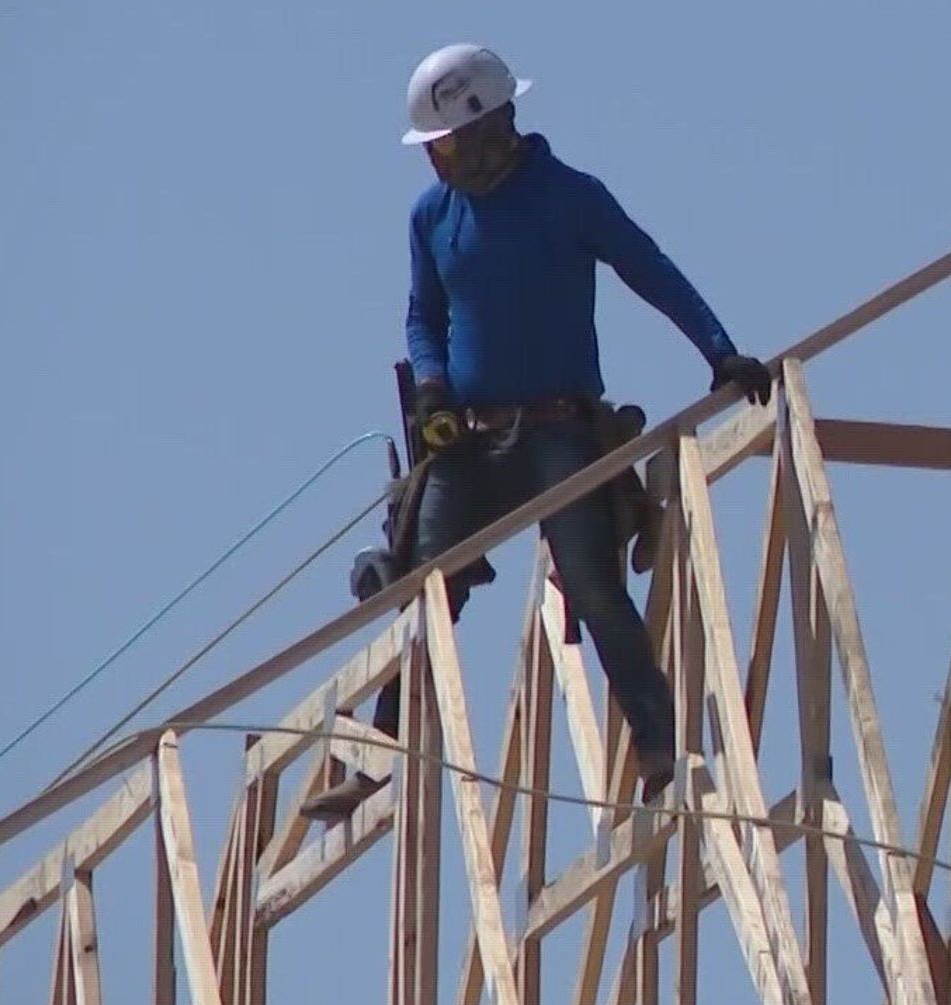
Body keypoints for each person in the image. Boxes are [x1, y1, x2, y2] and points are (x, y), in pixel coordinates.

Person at [304, 43, 771, 818]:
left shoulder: (567, 197)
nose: (438, 163)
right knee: (423, 589)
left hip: (560, 430)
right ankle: (375, 763)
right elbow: (424, 317)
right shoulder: (433, 217)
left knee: (592, 584)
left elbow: (648, 268)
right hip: (472, 441)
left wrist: (721, 352)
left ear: (488, 126)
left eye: (445, 144)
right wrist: (430, 385)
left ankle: (659, 749)